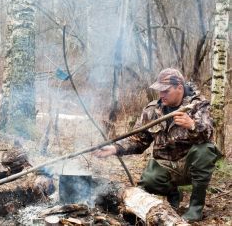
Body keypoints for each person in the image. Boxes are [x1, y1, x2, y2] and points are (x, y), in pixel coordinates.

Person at [94, 68, 221, 223]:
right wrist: (115, 148)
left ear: (179, 88)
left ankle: (195, 208)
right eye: (159, 91)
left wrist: (193, 125)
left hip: (191, 166)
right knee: (148, 181)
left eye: (166, 91)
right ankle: (173, 193)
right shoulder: (153, 110)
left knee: (205, 150)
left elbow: (208, 134)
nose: (161, 95)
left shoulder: (198, 105)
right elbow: (138, 140)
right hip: (166, 166)